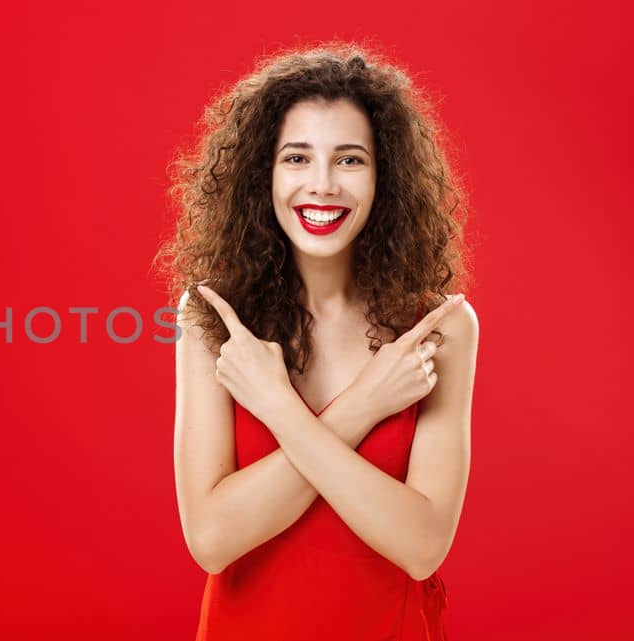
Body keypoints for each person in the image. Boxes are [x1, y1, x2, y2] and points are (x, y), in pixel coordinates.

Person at [157, 44, 479, 640]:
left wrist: (281, 409)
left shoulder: (440, 329)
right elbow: (212, 538)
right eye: (297, 157)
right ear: (264, 174)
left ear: (386, 177)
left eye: (350, 160)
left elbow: (421, 546)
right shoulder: (213, 319)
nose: (323, 185)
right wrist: (364, 405)